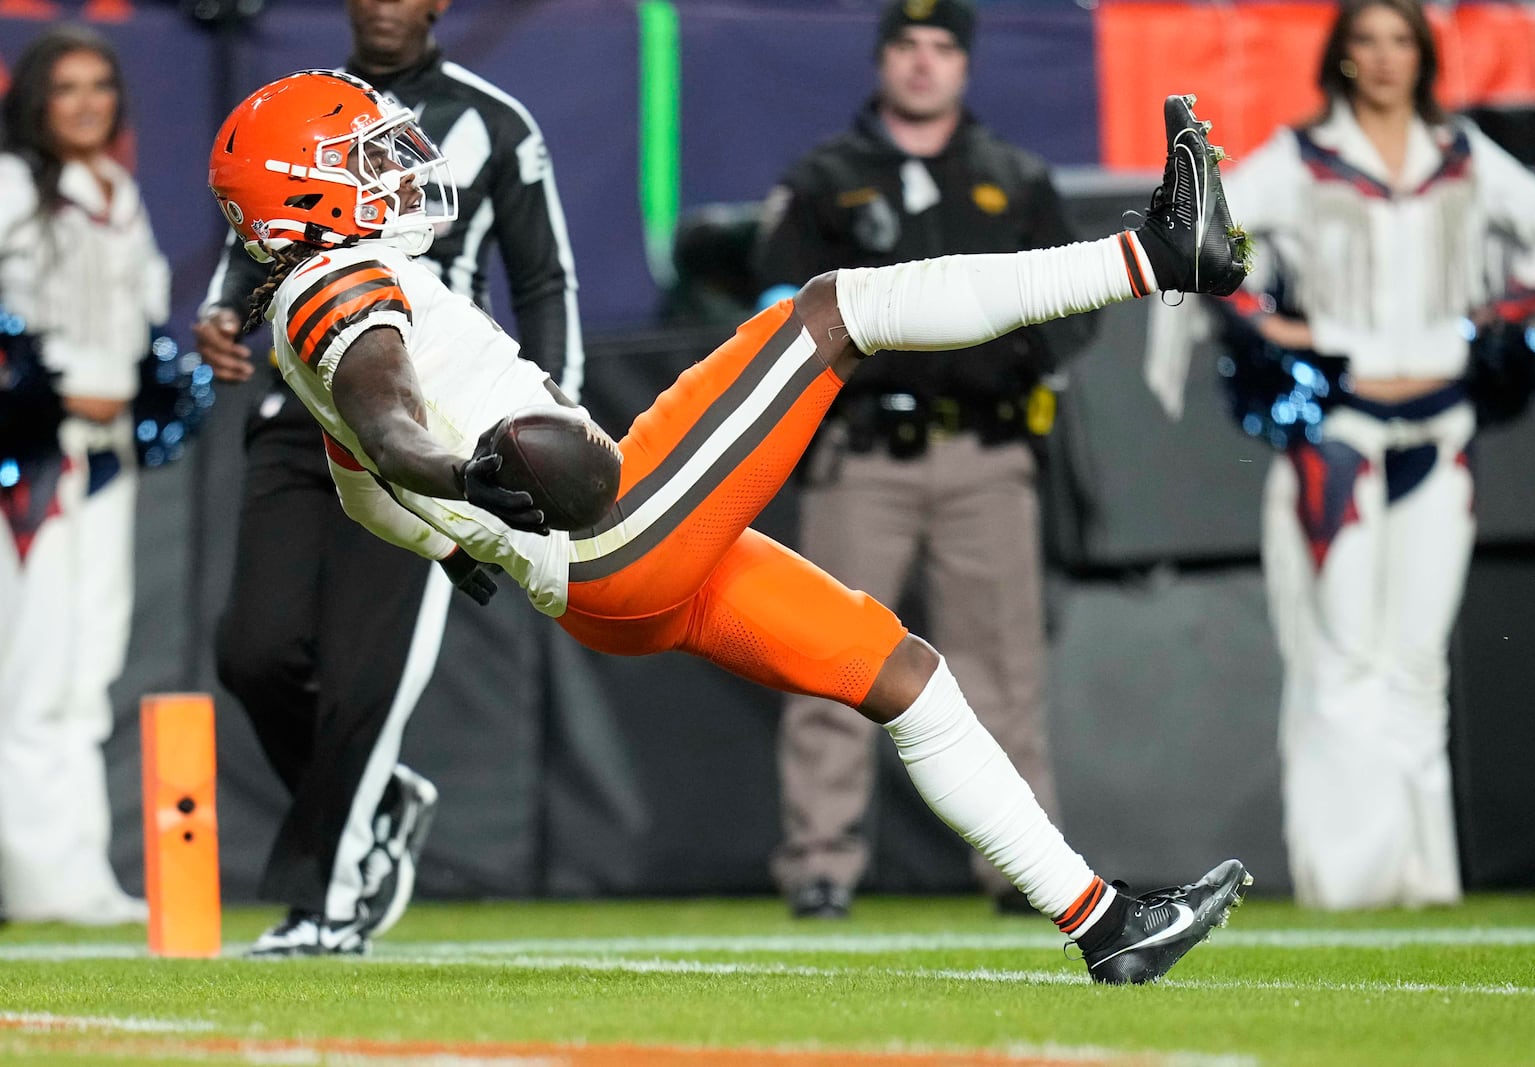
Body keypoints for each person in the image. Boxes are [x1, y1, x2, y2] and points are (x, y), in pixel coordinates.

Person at [210, 69, 1249, 984]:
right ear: (302, 191)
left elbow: (360, 482)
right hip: (618, 529)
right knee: (835, 309)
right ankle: (1154, 256)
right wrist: (468, 479)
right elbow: (390, 429)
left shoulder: (309, 302)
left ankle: (1104, 921)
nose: (396, 170)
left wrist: (454, 532)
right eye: (367, 157)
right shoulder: (340, 282)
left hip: (598, 582)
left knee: (902, 674)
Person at [1146, 0, 1535, 909]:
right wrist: (1270, 318)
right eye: (1368, 41)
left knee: (1417, 661)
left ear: (1422, 55)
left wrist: (1482, 322)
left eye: (1401, 40)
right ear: (1343, 58)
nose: (1386, 58)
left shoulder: (1460, 156)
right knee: (1341, 653)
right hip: (1336, 436)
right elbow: (1207, 233)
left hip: (1440, 430)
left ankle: (1424, 880)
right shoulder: (1305, 158)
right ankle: (1346, 882)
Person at [191, 0, 583, 956]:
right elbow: (266, 234)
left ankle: (329, 902)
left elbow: (544, 278)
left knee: (370, 665)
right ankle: (377, 803)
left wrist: (548, 422)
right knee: (253, 650)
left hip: (426, 409)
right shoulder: (304, 109)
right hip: (303, 408)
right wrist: (217, 311)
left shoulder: (494, 122)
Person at [751, 0, 1096, 918]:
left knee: (1004, 671)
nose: (923, 63)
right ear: (881, 58)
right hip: (864, 454)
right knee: (826, 655)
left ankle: (1029, 872)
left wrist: (1019, 363)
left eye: (943, 47)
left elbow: (1076, 309)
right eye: (907, 45)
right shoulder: (826, 179)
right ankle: (820, 863)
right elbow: (777, 302)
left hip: (985, 451)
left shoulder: (1013, 178)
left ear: (966, 66)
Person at [0, 25, 166, 925]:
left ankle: (82, 874)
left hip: (107, 461)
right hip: (27, 460)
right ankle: (35, 880)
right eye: (66, 87)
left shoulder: (117, 191)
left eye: (101, 83)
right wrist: (46, 378)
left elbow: (140, 325)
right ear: (36, 99)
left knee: (88, 665)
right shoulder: (10, 187)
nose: (87, 101)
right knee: (32, 666)